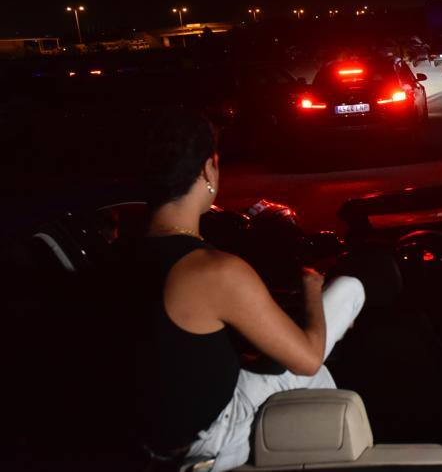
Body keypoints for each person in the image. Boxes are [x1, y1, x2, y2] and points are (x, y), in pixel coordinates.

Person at [126, 108, 365, 471]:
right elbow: (308, 358)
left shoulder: (115, 257)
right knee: (347, 292)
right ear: (209, 169)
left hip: (144, 439)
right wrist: (312, 289)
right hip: (207, 443)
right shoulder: (215, 270)